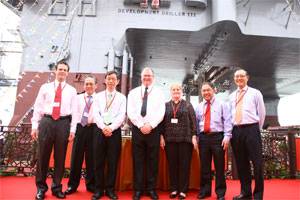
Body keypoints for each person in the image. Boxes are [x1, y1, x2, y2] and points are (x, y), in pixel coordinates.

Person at [31, 61, 77, 200]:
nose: (62, 71)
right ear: (55, 71)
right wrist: (34, 126)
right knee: (43, 156)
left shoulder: (72, 90)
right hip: (47, 122)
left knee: (60, 157)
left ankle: (57, 187)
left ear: (67, 73)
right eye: (60, 69)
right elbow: (38, 107)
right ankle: (41, 188)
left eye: (65, 70)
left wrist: (72, 130)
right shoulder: (45, 87)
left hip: (63, 123)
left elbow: (75, 112)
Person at [127, 67, 165, 200]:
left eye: (149, 76)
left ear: (153, 77)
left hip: (153, 130)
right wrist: (141, 125)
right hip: (138, 130)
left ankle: (151, 189)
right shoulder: (133, 93)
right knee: (138, 160)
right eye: (144, 76)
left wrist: (151, 125)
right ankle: (138, 190)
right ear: (141, 77)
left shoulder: (160, 93)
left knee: (153, 161)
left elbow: (161, 112)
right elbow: (130, 111)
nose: (147, 78)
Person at [230, 69, 266, 200]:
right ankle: (246, 193)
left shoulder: (255, 93)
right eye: (236, 76)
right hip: (236, 131)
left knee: (257, 164)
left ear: (247, 77)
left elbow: (261, 113)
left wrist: (257, 129)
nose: (239, 78)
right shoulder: (232, 95)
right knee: (241, 163)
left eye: (241, 76)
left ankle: (258, 195)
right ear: (234, 79)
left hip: (252, 129)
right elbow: (230, 115)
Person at [92, 71, 126, 200]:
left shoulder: (122, 97)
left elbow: (121, 115)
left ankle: (110, 189)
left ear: (117, 81)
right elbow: (96, 114)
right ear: (105, 81)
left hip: (115, 132)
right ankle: (99, 190)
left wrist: (111, 128)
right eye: (108, 79)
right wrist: (103, 127)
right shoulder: (98, 96)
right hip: (100, 131)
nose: (111, 81)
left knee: (112, 162)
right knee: (98, 162)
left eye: (113, 79)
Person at [160, 83, 198, 200]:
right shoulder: (165, 105)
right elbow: (161, 123)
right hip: (169, 140)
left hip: (185, 140)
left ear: (182, 92)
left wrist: (194, 136)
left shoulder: (188, 105)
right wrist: (161, 137)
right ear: (171, 92)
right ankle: (174, 188)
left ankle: (183, 190)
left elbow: (193, 122)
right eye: (173, 90)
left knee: (184, 166)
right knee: (172, 166)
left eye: (178, 90)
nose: (176, 92)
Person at [195, 82, 232, 200]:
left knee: (219, 167)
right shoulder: (199, 106)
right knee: (204, 167)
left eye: (208, 90)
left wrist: (227, 136)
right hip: (203, 138)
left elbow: (227, 121)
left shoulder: (222, 104)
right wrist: (196, 137)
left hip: (218, 138)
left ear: (213, 90)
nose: (206, 92)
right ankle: (205, 191)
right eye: (204, 91)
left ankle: (220, 193)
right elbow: (196, 124)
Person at [64, 75, 97, 196]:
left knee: (91, 159)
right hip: (80, 128)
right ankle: (72, 185)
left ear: (96, 86)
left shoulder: (99, 98)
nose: (88, 86)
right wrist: (72, 130)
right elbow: (74, 115)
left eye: (91, 84)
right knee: (76, 158)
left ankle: (91, 185)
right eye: (86, 84)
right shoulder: (77, 98)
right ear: (84, 85)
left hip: (93, 129)